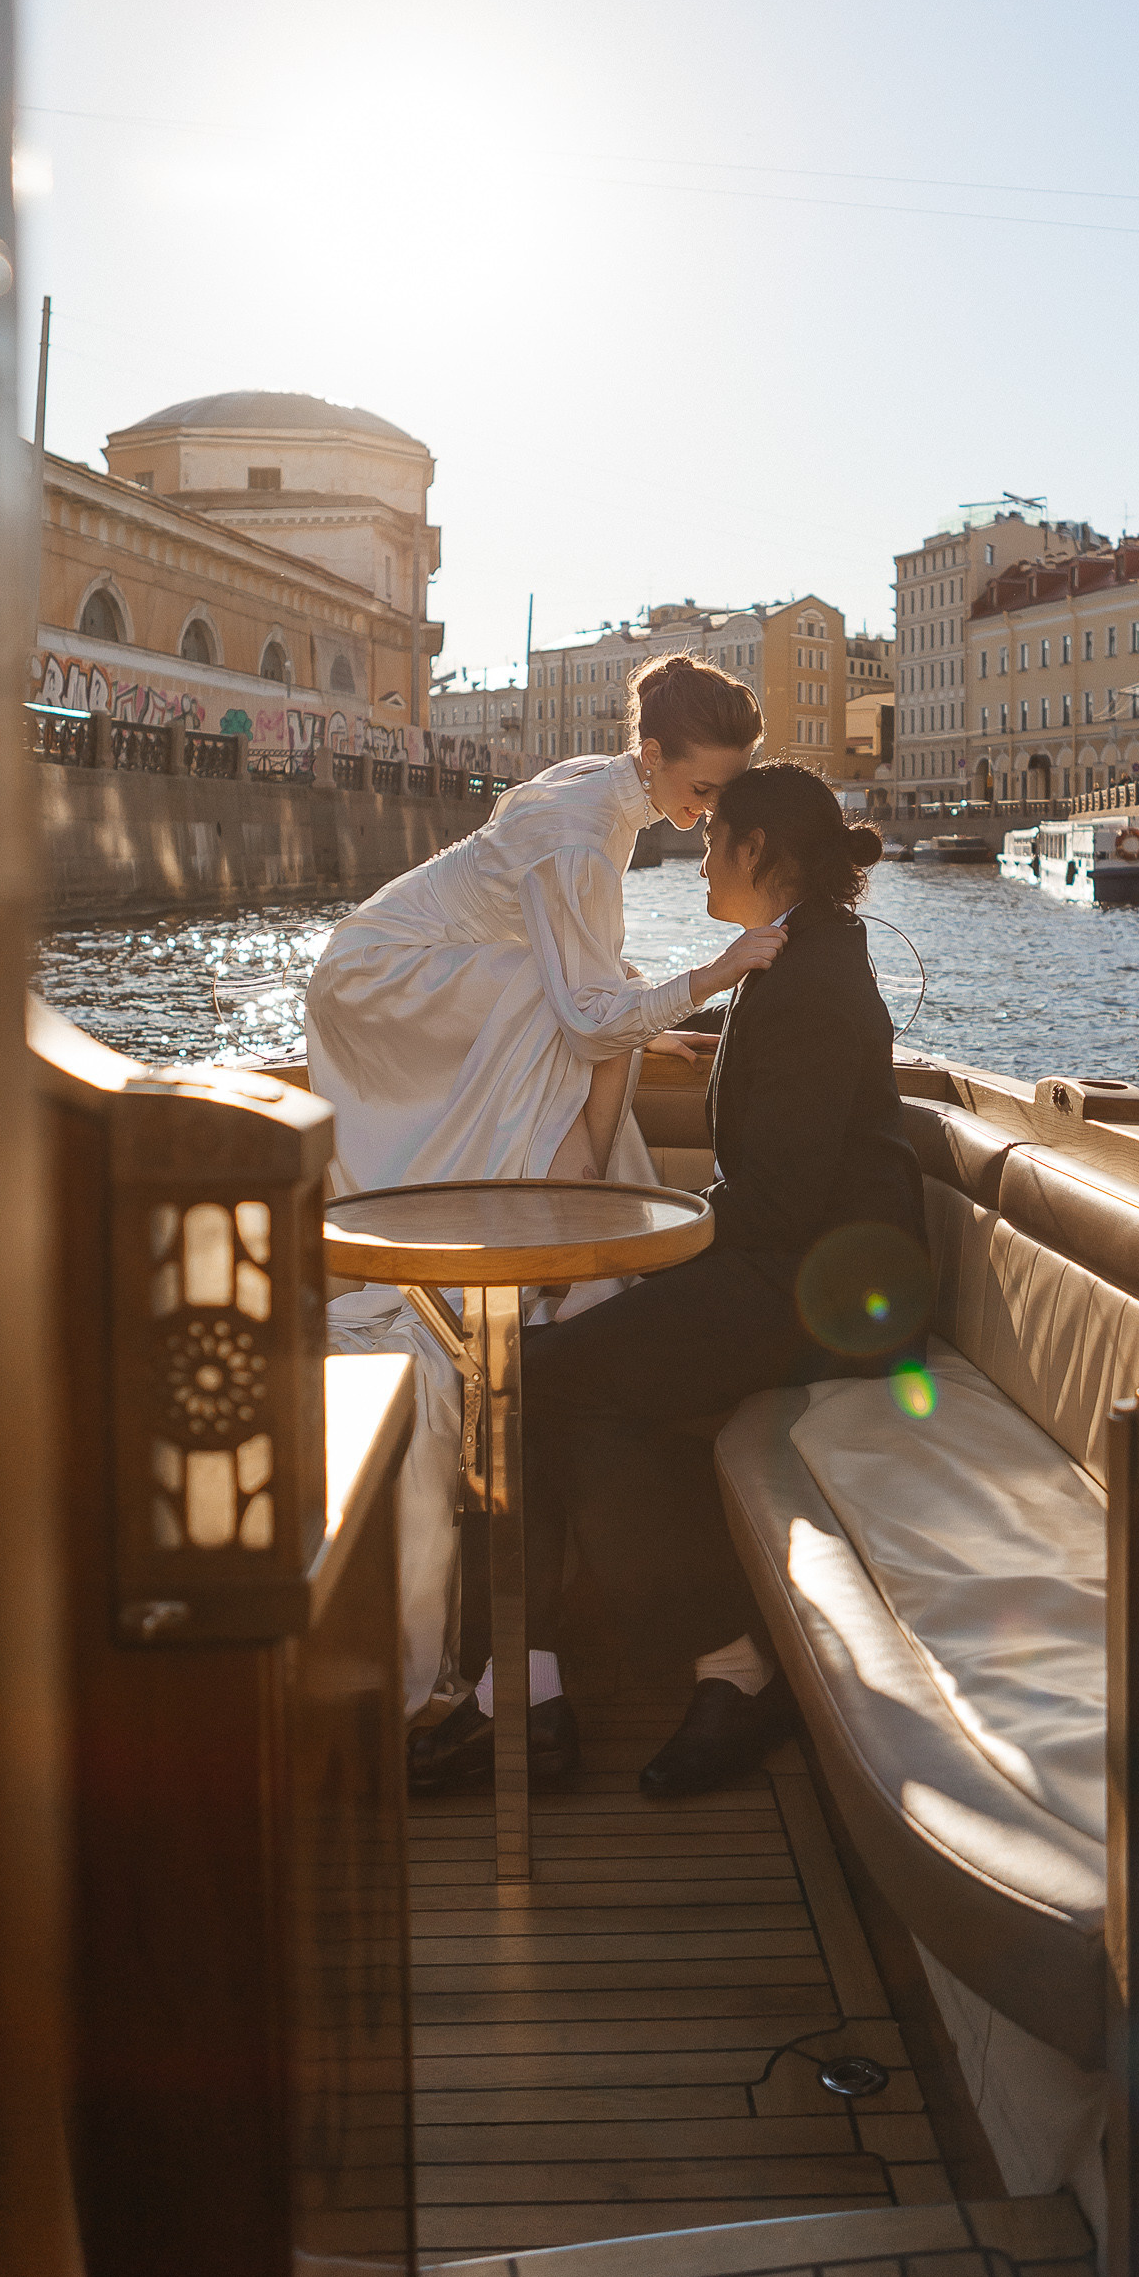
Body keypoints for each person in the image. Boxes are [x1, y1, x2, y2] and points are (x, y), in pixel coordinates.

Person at [408, 762, 929, 1802]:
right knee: (553, 1389)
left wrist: (644, 1243)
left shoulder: (812, 984)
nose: (698, 856)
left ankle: (556, 1691)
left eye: (711, 839)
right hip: (796, 1270)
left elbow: (777, 1199)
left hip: (826, 1292)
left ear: (756, 850)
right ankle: (585, 1689)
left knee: (533, 1381)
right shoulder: (803, 960)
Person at [307, 655, 782, 1711]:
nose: (705, 813)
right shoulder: (581, 828)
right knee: (565, 1003)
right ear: (651, 755)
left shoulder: (605, 795)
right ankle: (574, 1256)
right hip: (378, 982)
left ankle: (569, 1269)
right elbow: (580, 1009)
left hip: (436, 979)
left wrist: (640, 1028)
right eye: (699, 790)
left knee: (578, 1002)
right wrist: (716, 972)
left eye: (721, 794)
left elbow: (591, 994)